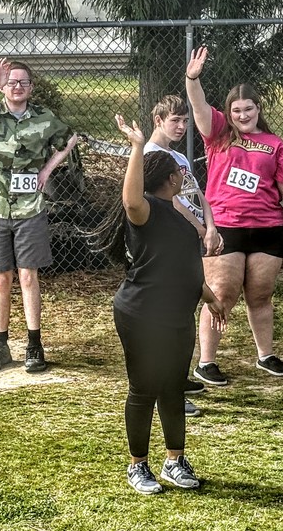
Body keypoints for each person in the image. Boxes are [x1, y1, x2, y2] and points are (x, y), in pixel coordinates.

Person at [92, 114, 227, 494]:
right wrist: (137, 147)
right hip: (142, 313)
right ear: (172, 178)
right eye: (180, 171)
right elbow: (130, 199)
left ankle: (174, 460)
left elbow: (181, 267)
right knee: (144, 389)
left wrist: (209, 296)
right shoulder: (146, 210)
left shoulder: (177, 212)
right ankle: (138, 466)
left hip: (177, 314)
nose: (184, 174)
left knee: (172, 388)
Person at [185, 46, 283, 385]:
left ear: (259, 109)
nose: (243, 115)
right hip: (227, 225)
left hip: (268, 228)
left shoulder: (276, 144)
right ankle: (207, 362)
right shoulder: (218, 136)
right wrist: (192, 79)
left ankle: (265, 355)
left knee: (260, 295)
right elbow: (198, 107)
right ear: (229, 113)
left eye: (249, 108)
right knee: (221, 294)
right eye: (236, 110)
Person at [0, 58, 81, 373]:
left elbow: (70, 138)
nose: (16, 86)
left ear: (31, 87)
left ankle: (34, 344)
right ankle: (0, 344)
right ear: (3, 86)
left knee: (27, 275)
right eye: (11, 82)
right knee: (1, 278)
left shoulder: (44, 118)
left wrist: (47, 169)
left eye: (22, 82)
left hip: (29, 208)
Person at [145, 94, 224, 416]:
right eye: (174, 120)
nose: (181, 126)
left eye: (185, 120)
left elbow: (196, 193)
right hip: (171, 240)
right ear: (159, 121)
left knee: (185, 311)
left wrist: (212, 225)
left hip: (193, 236)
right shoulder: (151, 155)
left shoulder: (179, 157)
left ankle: (178, 376)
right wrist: (199, 229)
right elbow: (172, 202)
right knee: (169, 318)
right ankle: (167, 387)